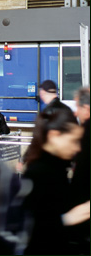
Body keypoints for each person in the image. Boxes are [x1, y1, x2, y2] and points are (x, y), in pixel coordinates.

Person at [23, 109, 90, 255]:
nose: (78, 148)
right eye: (73, 141)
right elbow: (33, 228)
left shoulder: (55, 168)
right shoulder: (39, 173)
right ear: (54, 135)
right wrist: (70, 218)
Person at [68, 87, 90, 254]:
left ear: (86, 108)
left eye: (77, 107)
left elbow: (82, 175)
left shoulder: (87, 133)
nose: (75, 113)